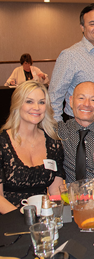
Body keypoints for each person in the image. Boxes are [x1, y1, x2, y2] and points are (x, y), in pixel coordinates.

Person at [0, 81, 65, 214]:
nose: (36, 107)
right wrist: (25, 219)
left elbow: (55, 191)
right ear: (18, 105)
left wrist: (57, 216)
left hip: (44, 216)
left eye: (41, 102)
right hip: (9, 219)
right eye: (29, 101)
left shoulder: (53, 143)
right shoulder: (2, 143)